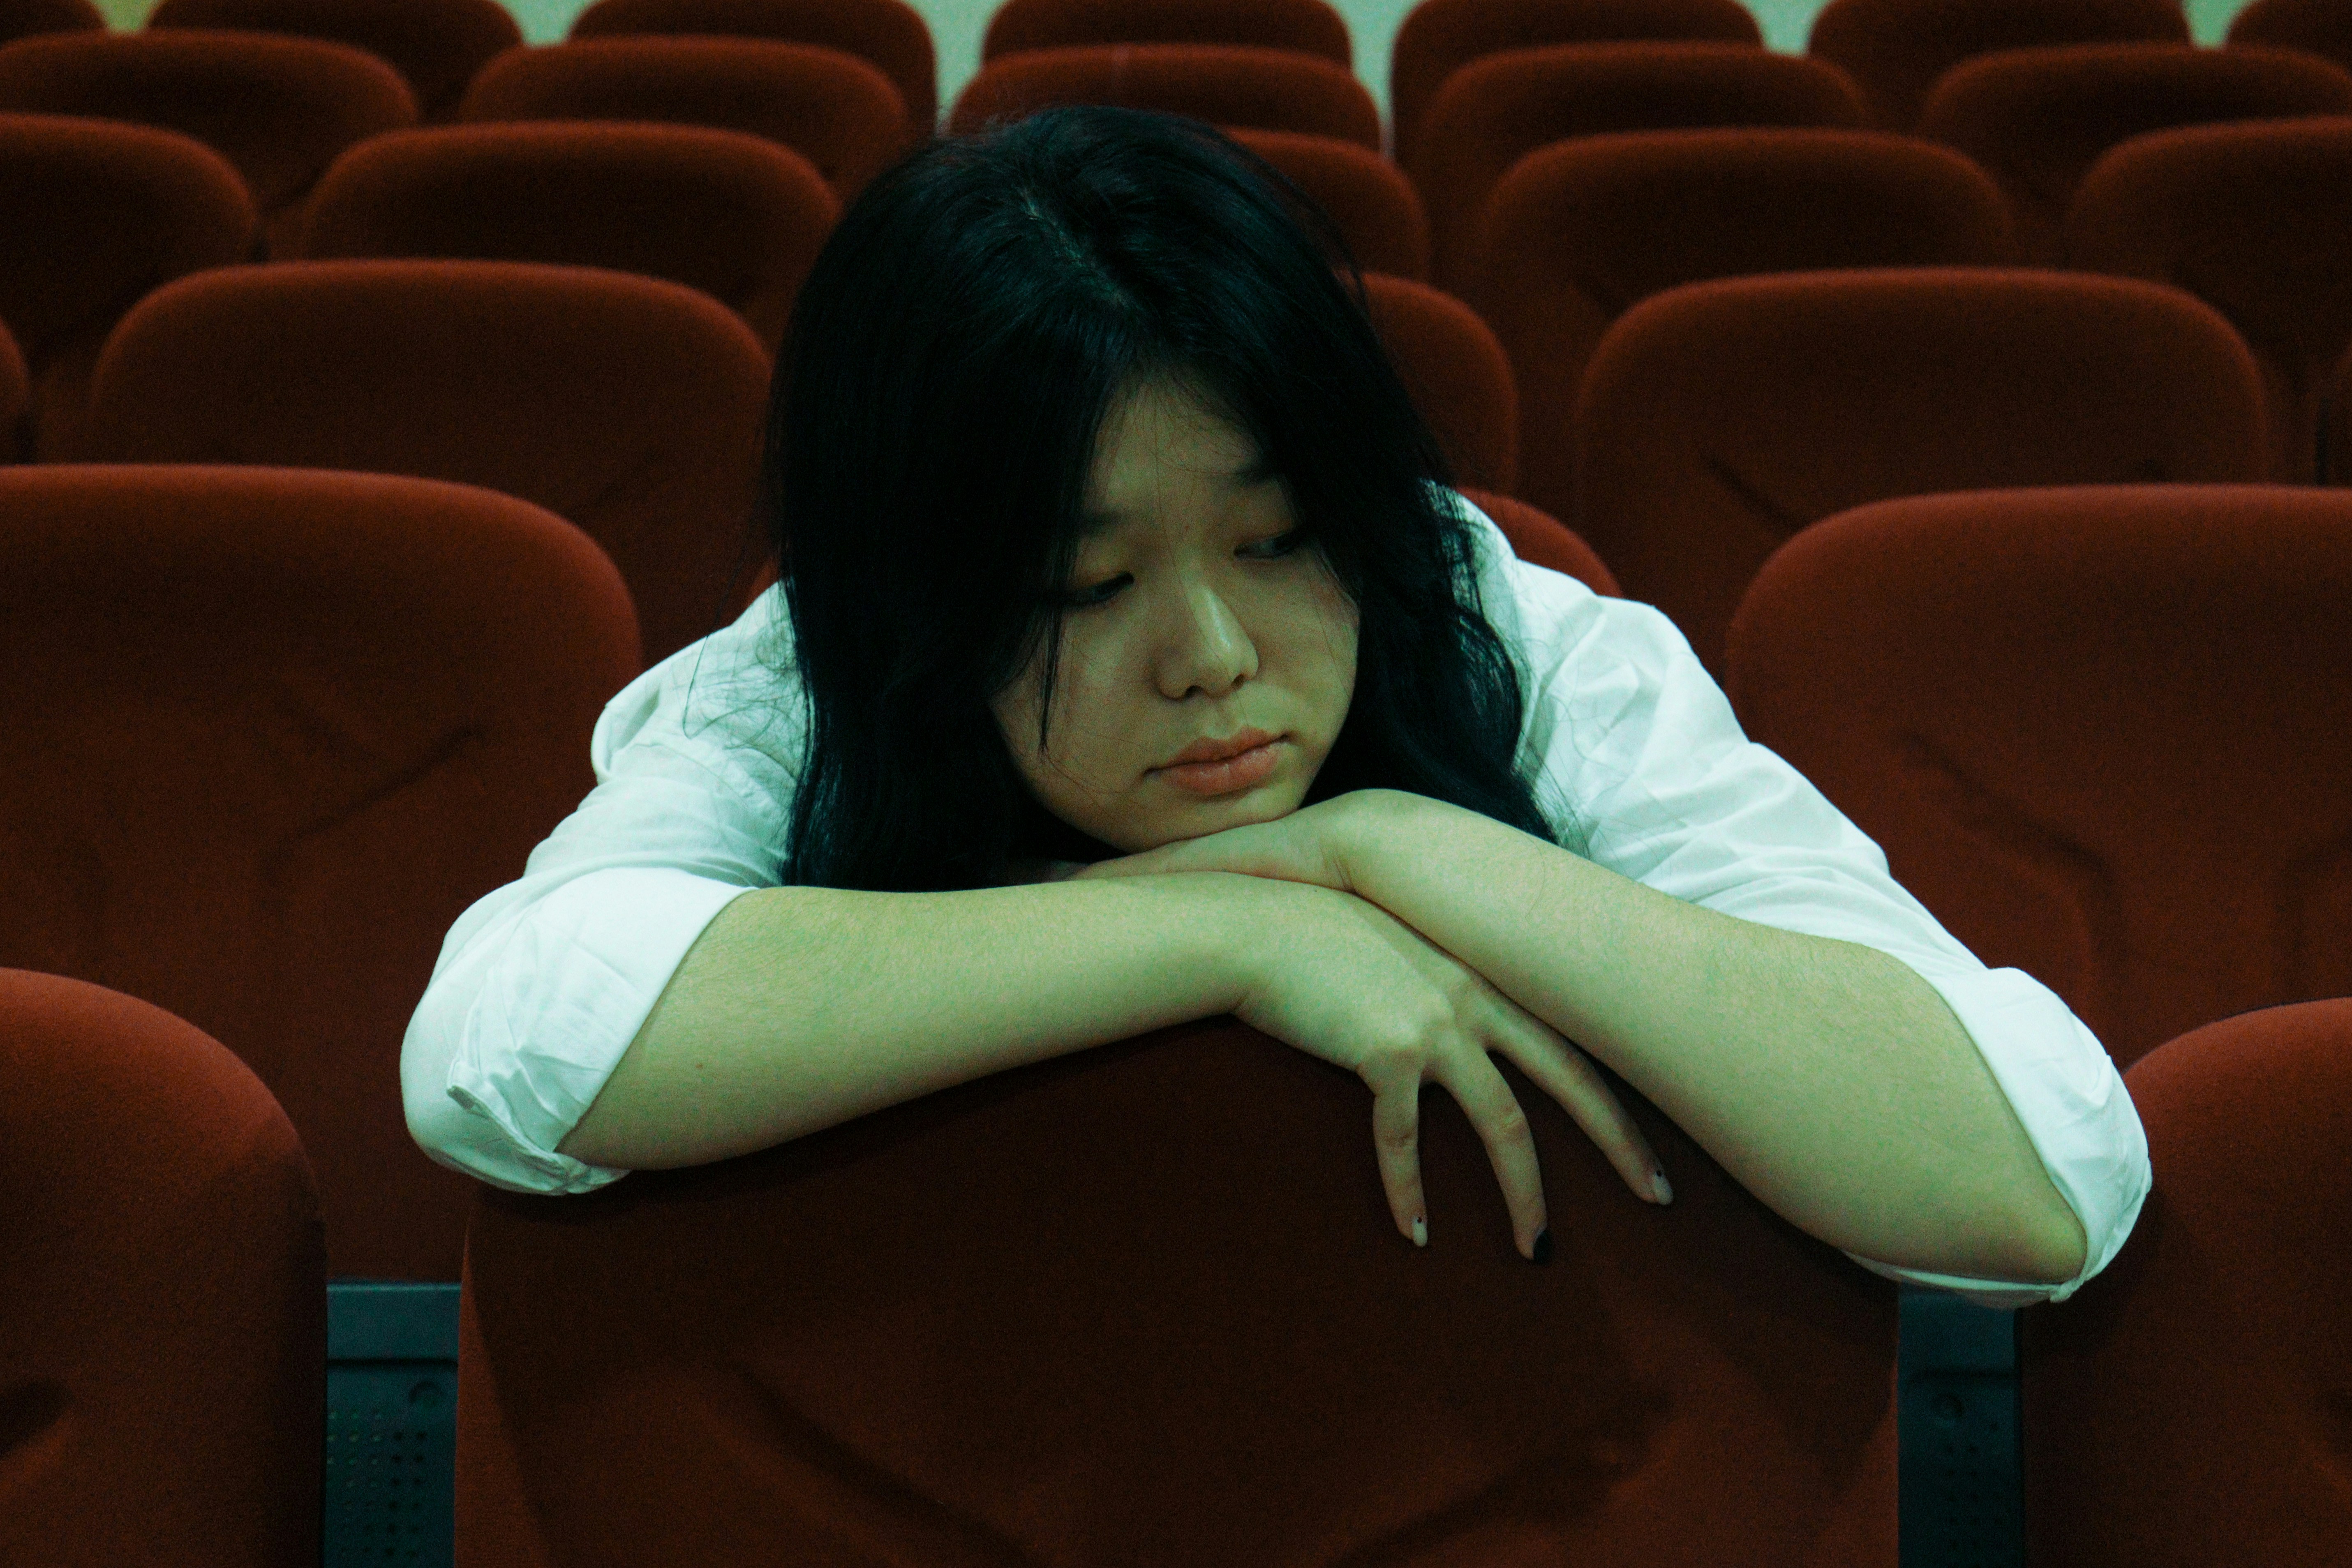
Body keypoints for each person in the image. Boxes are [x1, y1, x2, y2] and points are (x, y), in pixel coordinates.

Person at [401, 104, 2147, 1307]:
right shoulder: (806, 678)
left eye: (1281, 539)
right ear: (921, 599)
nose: (1214, 653)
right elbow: (506, 1040)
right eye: (1085, 588)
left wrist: (1380, 843)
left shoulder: (1510, 638)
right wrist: (1228, 927)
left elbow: (2033, 1174)